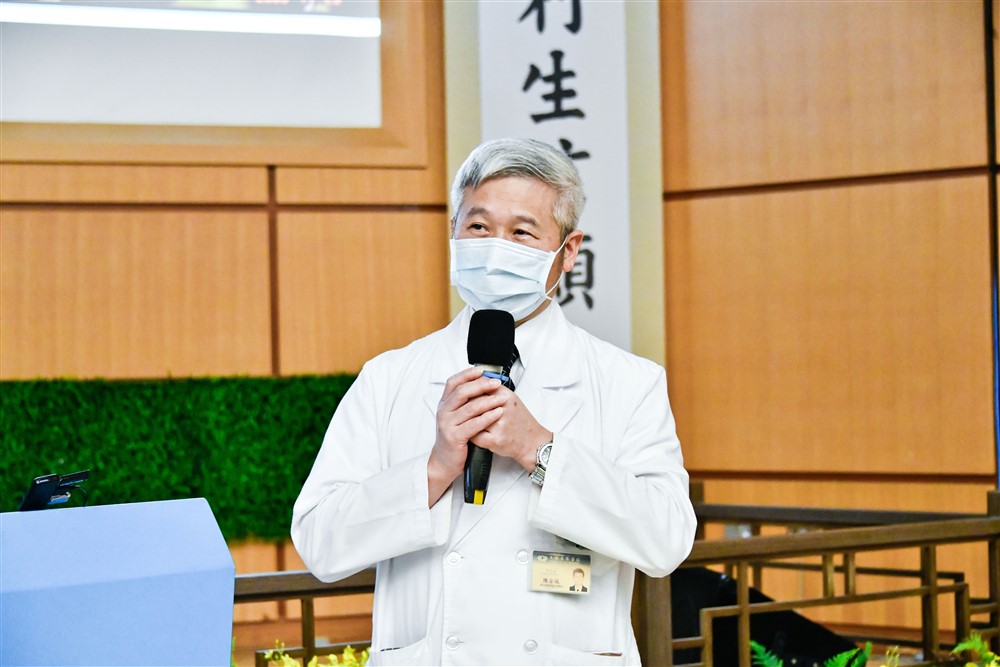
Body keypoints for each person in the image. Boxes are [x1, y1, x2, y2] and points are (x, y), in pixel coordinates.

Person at [292, 137, 697, 666]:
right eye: (479, 227)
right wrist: (434, 471)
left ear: (568, 251)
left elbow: (666, 541)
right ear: (453, 232)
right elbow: (319, 542)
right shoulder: (388, 378)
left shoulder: (627, 382)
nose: (494, 247)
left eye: (522, 232)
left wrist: (541, 450)